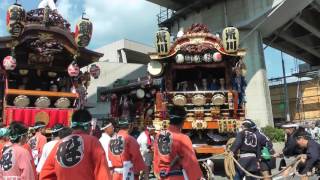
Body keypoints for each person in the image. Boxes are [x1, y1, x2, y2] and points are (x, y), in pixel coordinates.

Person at [39, 109, 111, 180]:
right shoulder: (93, 142)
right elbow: (102, 173)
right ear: (88, 126)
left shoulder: (59, 144)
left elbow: (45, 175)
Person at [153, 106, 203, 179]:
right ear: (183, 121)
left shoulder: (159, 135)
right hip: (177, 176)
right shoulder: (183, 138)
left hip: (162, 175)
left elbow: (156, 158)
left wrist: (157, 172)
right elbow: (190, 162)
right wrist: (197, 177)